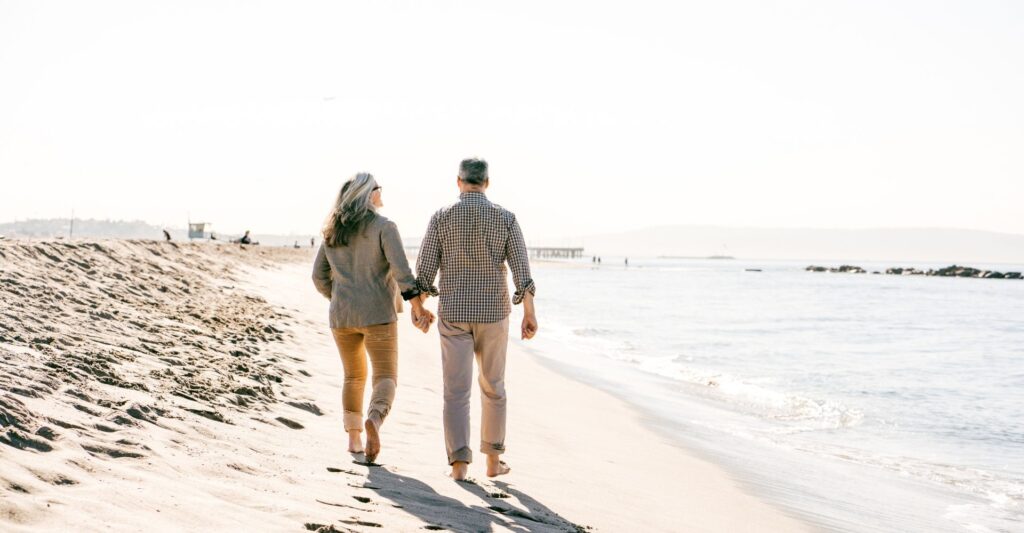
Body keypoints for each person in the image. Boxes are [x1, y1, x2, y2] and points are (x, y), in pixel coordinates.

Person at [416, 157, 538, 481]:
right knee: (493, 386)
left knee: (455, 391)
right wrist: (529, 313)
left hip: (454, 313)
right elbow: (522, 273)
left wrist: (418, 308)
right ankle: (493, 462)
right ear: (487, 182)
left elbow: (425, 272)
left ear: (458, 181)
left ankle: (458, 466)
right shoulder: (506, 218)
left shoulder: (441, 217)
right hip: (494, 314)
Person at [313, 173, 434, 463]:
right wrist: (418, 307)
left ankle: (354, 439)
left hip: (342, 316)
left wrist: (340, 296)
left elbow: (318, 277)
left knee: (353, 376)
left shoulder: (332, 230)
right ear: (369, 195)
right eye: (379, 188)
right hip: (378, 314)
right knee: (386, 376)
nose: (382, 193)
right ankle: (375, 420)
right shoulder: (384, 227)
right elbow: (403, 273)